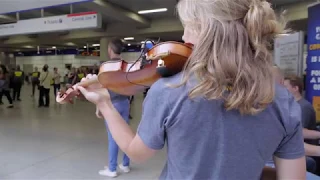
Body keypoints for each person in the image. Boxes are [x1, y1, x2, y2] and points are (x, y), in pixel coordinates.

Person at [76, 0, 306, 179]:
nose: (183, 37)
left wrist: (105, 104)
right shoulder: (282, 100)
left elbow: (137, 153)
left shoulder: (169, 89)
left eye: (188, 28)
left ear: (207, 31)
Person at [89, 38, 130, 178]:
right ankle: (125, 164)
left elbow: (102, 88)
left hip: (112, 104)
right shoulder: (126, 65)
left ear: (110, 50)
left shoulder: (106, 66)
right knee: (126, 133)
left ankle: (112, 169)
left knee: (113, 136)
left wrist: (98, 107)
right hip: (125, 102)